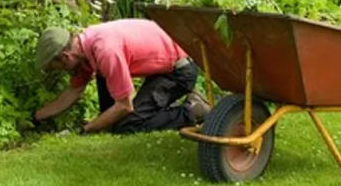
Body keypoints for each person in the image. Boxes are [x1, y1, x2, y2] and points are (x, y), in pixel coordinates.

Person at [32, 18, 211, 134]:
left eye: (56, 67)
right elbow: (73, 91)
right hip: (162, 68)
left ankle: (193, 109)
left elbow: (125, 106)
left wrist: (87, 129)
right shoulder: (85, 48)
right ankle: (112, 122)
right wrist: (37, 117)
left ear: (65, 57)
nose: (60, 71)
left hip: (178, 71)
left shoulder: (105, 50)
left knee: (128, 125)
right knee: (112, 121)